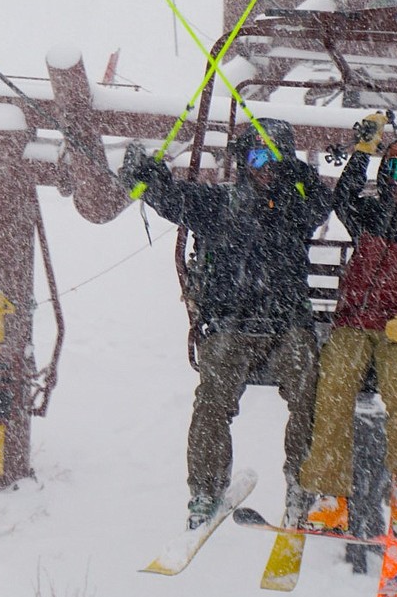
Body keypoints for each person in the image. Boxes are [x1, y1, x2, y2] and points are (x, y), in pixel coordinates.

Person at [119, 119, 332, 529]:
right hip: (231, 326)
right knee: (213, 400)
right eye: (257, 156)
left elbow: (323, 202)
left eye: (276, 159)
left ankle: (303, 482)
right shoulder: (219, 205)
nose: (266, 167)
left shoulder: (295, 209)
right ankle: (205, 488)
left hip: (286, 325)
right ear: (243, 161)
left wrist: (299, 173)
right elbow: (167, 198)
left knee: (310, 394)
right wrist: (148, 176)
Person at [299, 115, 397, 540]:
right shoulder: (369, 213)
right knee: (333, 388)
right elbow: (343, 195)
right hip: (354, 322)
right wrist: (363, 151)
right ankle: (329, 491)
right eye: (394, 169)